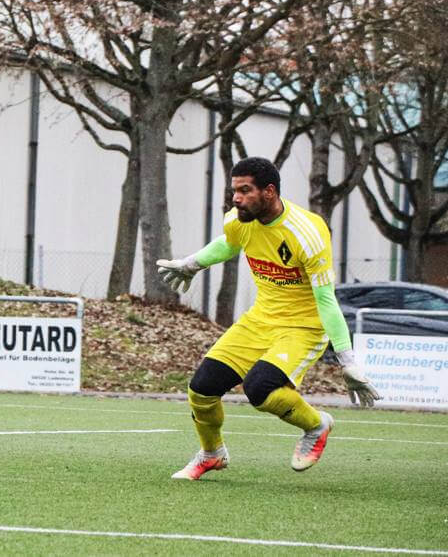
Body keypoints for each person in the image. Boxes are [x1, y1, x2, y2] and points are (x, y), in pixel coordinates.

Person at [156, 157, 380, 481]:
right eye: (234, 190)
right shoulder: (238, 219)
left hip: (303, 326)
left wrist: (347, 359)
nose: (236, 198)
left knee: (259, 389)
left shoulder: (308, 232)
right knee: (201, 388)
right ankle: (212, 454)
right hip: (260, 319)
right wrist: (194, 263)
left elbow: (326, 299)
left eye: (245, 190)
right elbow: (231, 244)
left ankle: (316, 424)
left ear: (269, 191)